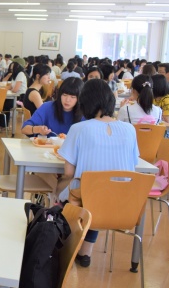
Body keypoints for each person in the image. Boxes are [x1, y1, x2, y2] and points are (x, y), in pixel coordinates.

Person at [58, 79, 139, 268]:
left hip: (87, 204)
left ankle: (67, 247)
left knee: (68, 192)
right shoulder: (129, 129)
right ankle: (85, 252)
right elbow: (133, 166)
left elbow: (68, 173)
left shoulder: (79, 129)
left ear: (85, 102)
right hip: (124, 206)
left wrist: (57, 190)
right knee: (98, 190)